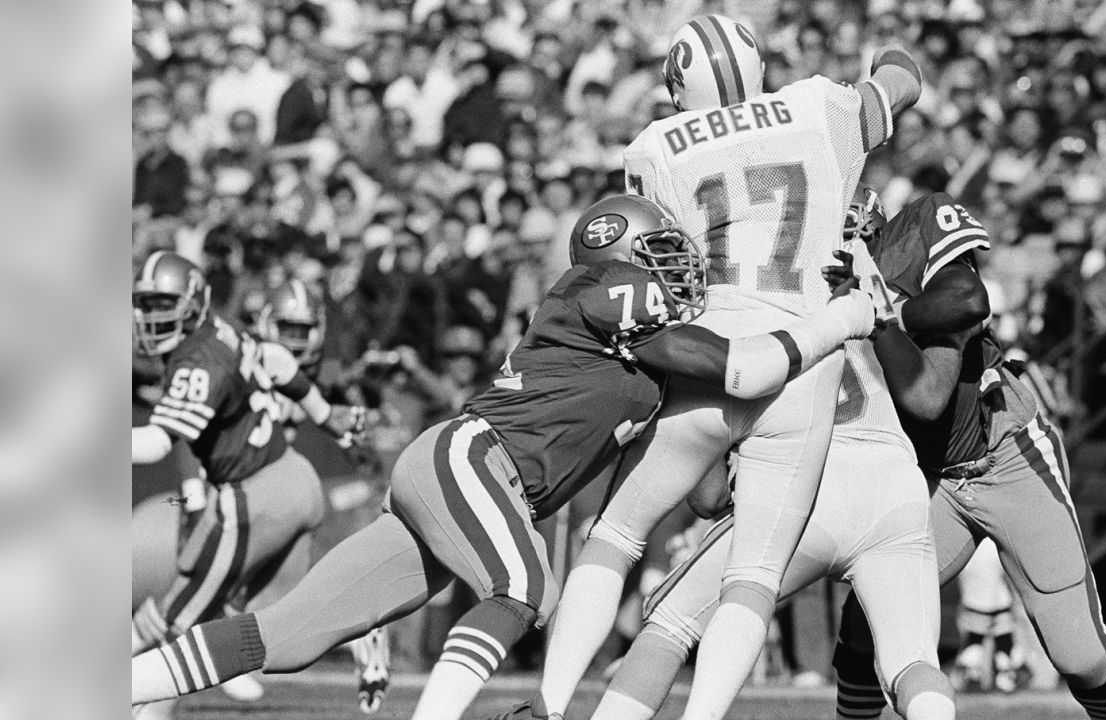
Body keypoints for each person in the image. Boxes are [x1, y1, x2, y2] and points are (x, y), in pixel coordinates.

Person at [130, 195, 878, 720]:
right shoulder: (601, 287)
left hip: (463, 479)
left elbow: (702, 484)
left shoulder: (644, 363)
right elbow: (743, 369)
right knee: (525, 586)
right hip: (474, 458)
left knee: (290, 638)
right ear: (619, 255)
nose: (674, 276)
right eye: (658, 257)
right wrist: (840, 317)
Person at [515, 15, 924, 720]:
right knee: (754, 578)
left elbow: (659, 268)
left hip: (711, 355)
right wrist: (887, 44)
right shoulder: (822, 106)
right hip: (808, 361)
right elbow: (904, 80)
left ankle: (548, 706)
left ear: (683, 83)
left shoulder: (653, 147)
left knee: (614, 536)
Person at [586, 187, 956, 720]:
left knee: (670, 624)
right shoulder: (884, 302)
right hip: (894, 483)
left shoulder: (753, 305)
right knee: (911, 664)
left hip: (807, 484)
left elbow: (710, 497)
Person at [830, 189, 1106, 720]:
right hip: (927, 476)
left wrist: (883, 311)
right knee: (863, 630)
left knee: (1080, 656)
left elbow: (967, 305)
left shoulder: (918, 237)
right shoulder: (801, 289)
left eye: (851, 232)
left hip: (1004, 454)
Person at [130, 252, 366, 664]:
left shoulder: (199, 359)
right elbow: (277, 362)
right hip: (291, 481)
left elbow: (158, 443)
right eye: (147, 305)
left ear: (192, 303)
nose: (152, 316)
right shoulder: (220, 331)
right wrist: (325, 414)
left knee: (184, 606)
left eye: (163, 305)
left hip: (257, 493)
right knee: (261, 617)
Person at [253, 279, 393, 714]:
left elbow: (371, 422)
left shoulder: (332, 375)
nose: (295, 340)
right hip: (266, 484)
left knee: (333, 568)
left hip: (323, 485)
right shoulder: (248, 364)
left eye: (302, 329)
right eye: (287, 329)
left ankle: (366, 634)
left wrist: (361, 422)